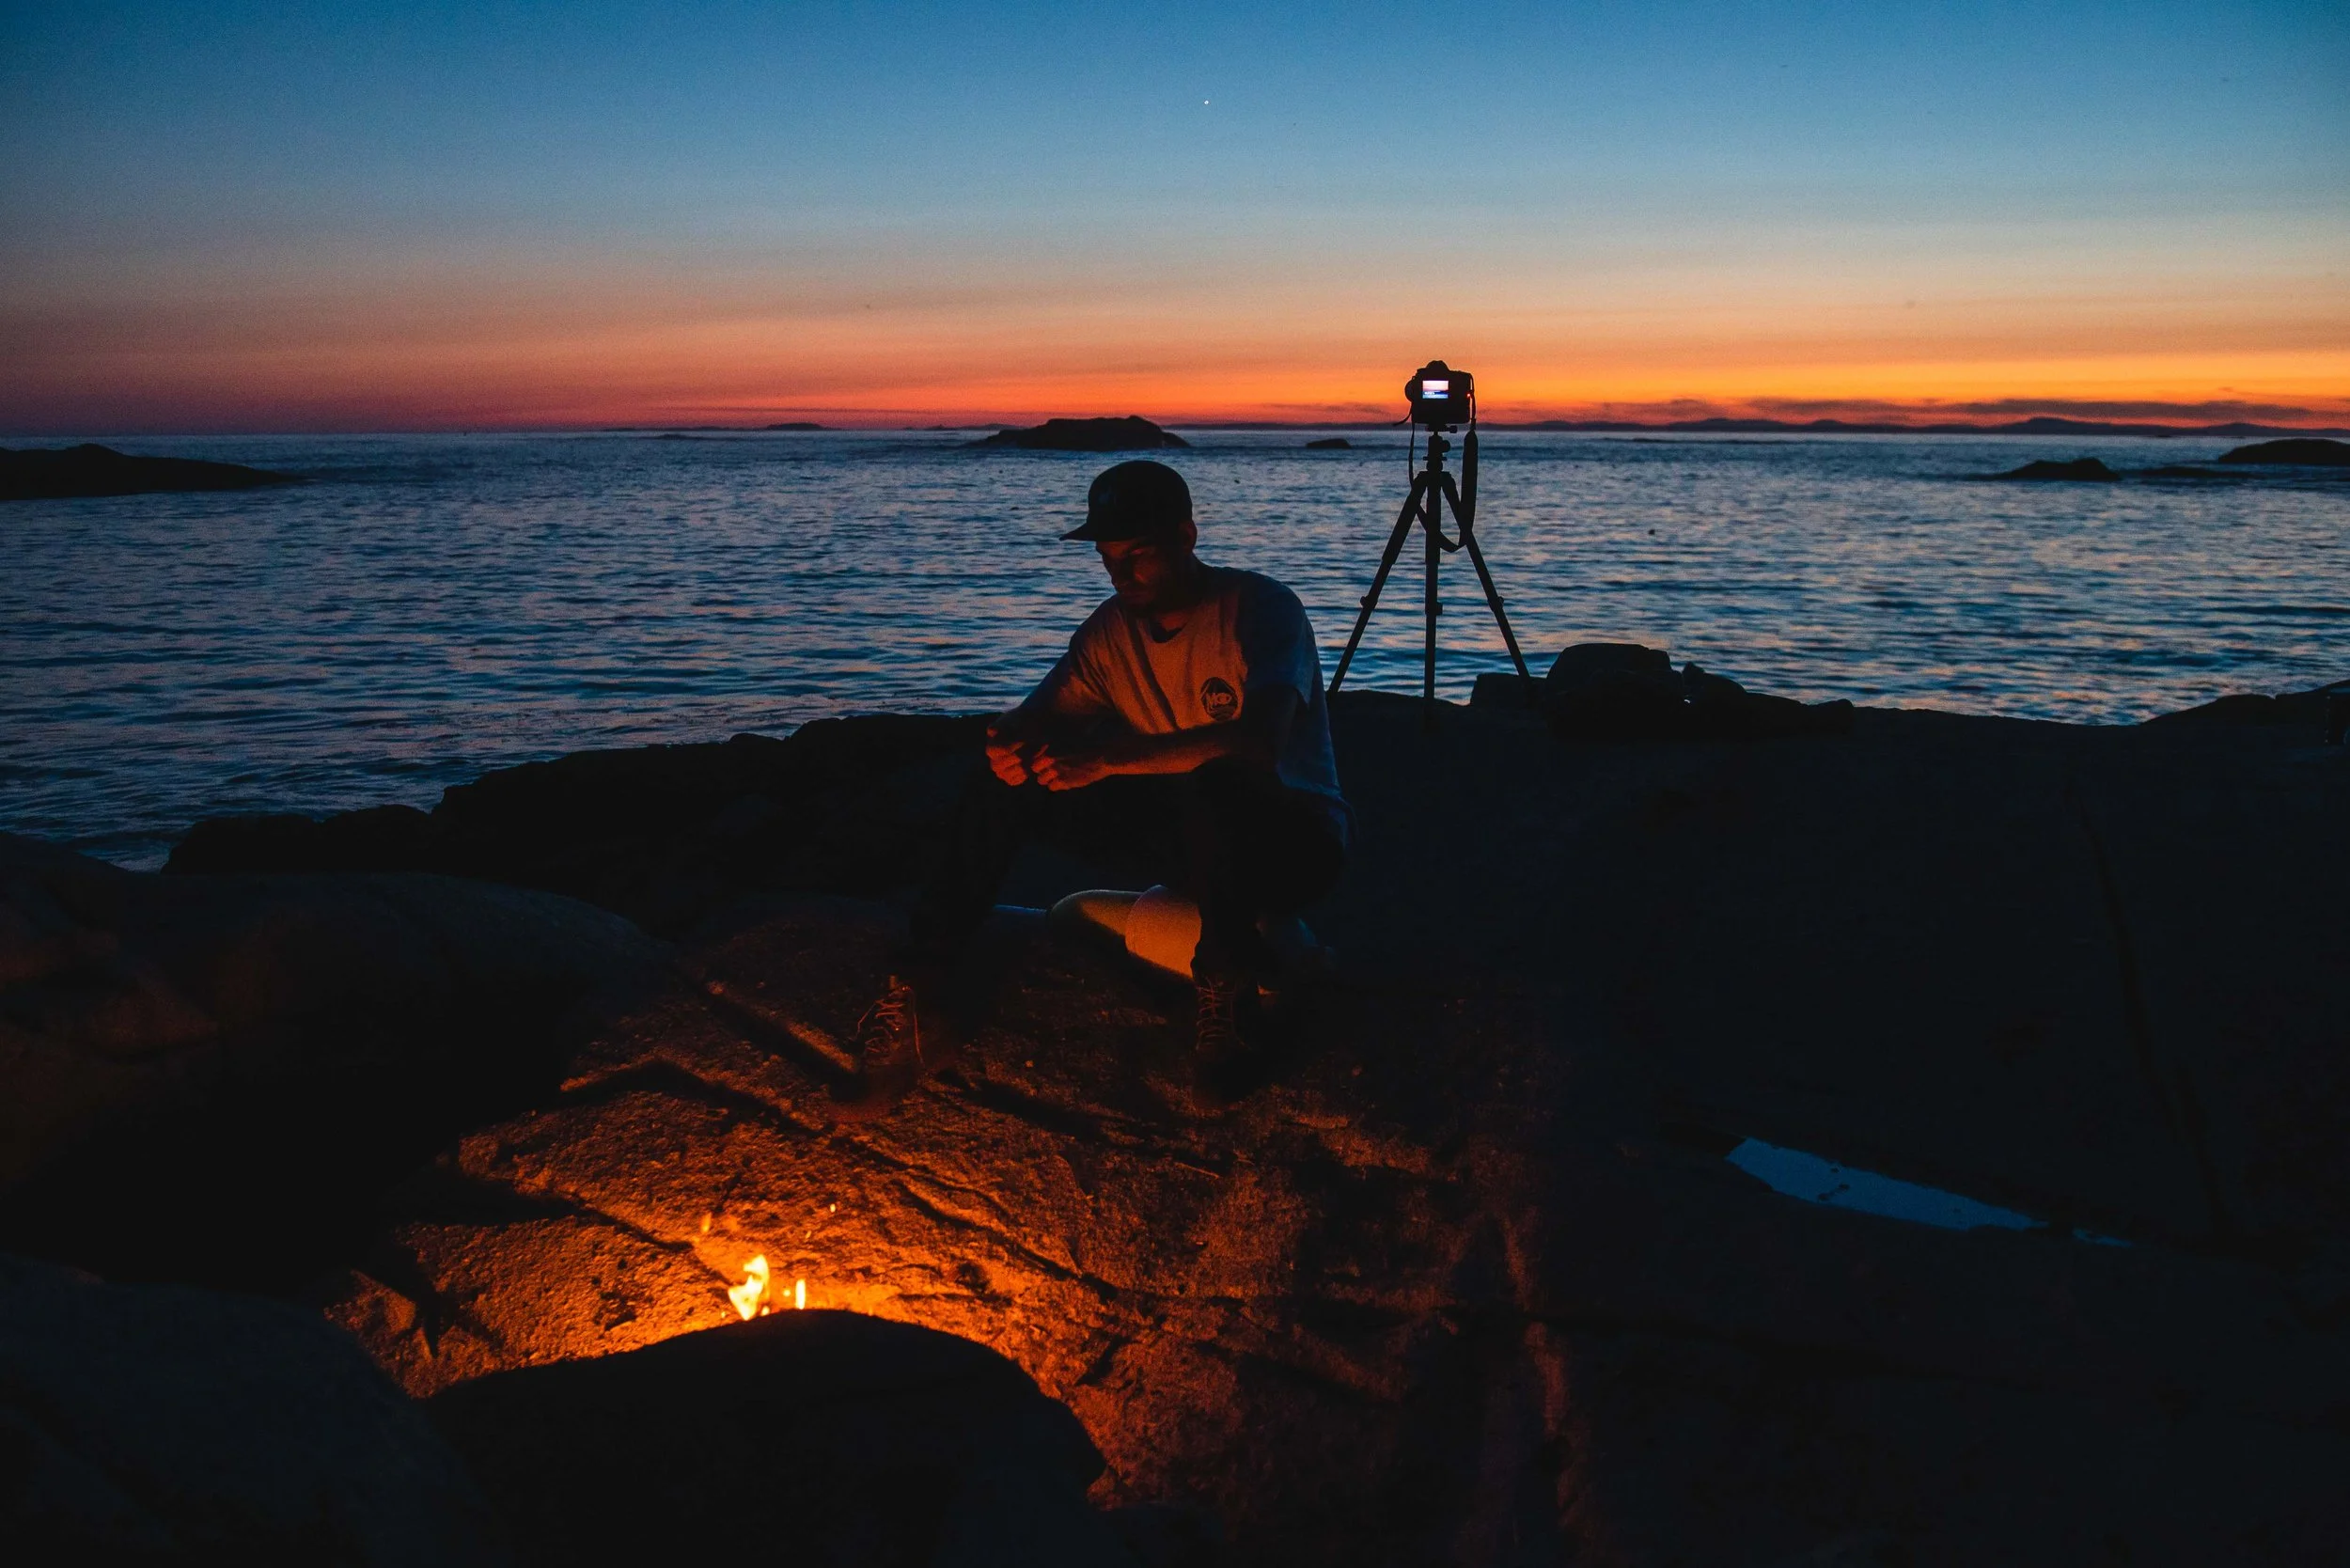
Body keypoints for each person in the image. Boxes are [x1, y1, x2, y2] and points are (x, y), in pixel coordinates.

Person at [838, 458, 1351, 1113]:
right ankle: (920, 990)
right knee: (1007, 784)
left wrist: (1107, 760)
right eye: (1109, 558)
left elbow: (1259, 743)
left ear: (1186, 537)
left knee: (1221, 780)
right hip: (1191, 840)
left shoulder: (1259, 607)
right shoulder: (1110, 631)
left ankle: (1232, 1002)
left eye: (1138, 554)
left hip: (1291, 842)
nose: (1121, 574)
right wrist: (1010, 743)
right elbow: (1037, 715)